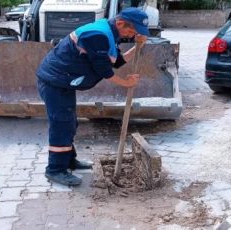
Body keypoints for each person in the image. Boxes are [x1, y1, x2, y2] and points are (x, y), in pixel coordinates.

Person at [36, 7, 149, 186]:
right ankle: (55, 169)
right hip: (54, 82)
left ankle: (68, 160)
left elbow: (117, 61)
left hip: (63, 81)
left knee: (70, 123)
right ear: (120, 23)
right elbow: (104, 70)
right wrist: (126, 83)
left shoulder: (110, 33)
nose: (132, 35)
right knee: (62, 124)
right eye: (131, 31)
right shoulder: (98, 35)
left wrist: (138, 46)